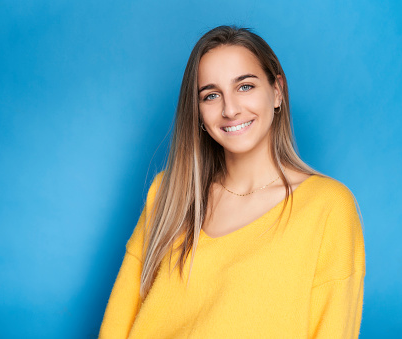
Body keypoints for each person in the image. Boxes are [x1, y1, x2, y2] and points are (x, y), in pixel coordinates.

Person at [98, 25, 365, 338]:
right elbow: (118, 322)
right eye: (211, 95)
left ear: (277, 91)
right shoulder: (169, 194)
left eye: (245, 86)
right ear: (197, 113)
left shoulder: (328, 207)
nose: (229, 109)